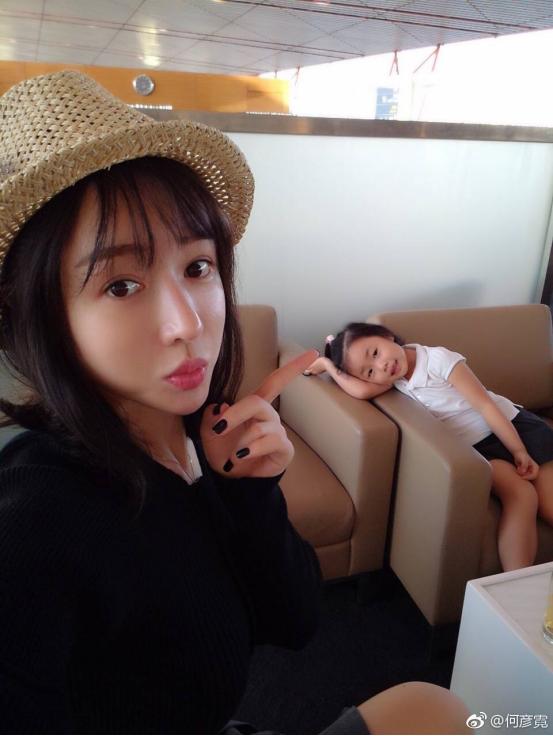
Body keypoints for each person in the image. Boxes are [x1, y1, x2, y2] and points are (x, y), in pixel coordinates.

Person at [0, 71, 470, 734]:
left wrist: (251, 494)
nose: (188, 322)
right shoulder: (36, 515)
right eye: (121, 285)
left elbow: (294, 623)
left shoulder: (201, 438)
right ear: (40, 314)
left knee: (435, 706)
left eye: (197, 267)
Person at [306, 323, 553, 572]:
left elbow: (486, 406)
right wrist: (328, 366)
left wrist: (519, 450)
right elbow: (360, 391)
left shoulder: (438, 360)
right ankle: (515, 579)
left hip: (513, 427)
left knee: (548, 502)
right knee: (522, 496)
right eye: (369, 372)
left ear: (386, 336)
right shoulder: (395, 378)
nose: (381, 366)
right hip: (480, 449)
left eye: (376, 353)